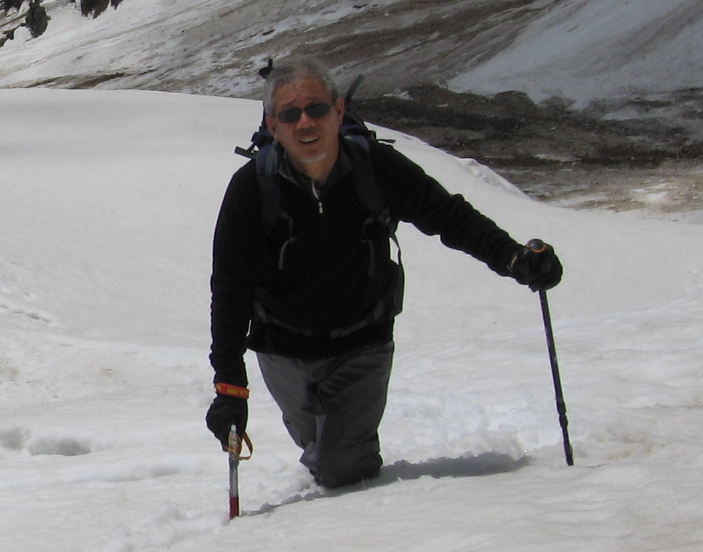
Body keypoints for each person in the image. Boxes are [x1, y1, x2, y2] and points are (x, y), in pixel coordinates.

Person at [206, 56, 562, 488]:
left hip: (362, 341)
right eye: (290, 114)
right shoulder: (251, 189)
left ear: (338, 111)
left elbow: (448, 216)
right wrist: (230, 387)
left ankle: (357, 512)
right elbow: (230, 289)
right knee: (319, 450)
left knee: (342, 469)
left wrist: (513, 258)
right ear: (273, 124)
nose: (306, 123)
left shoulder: (376, 168)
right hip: (282, 350)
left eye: (316, 109)